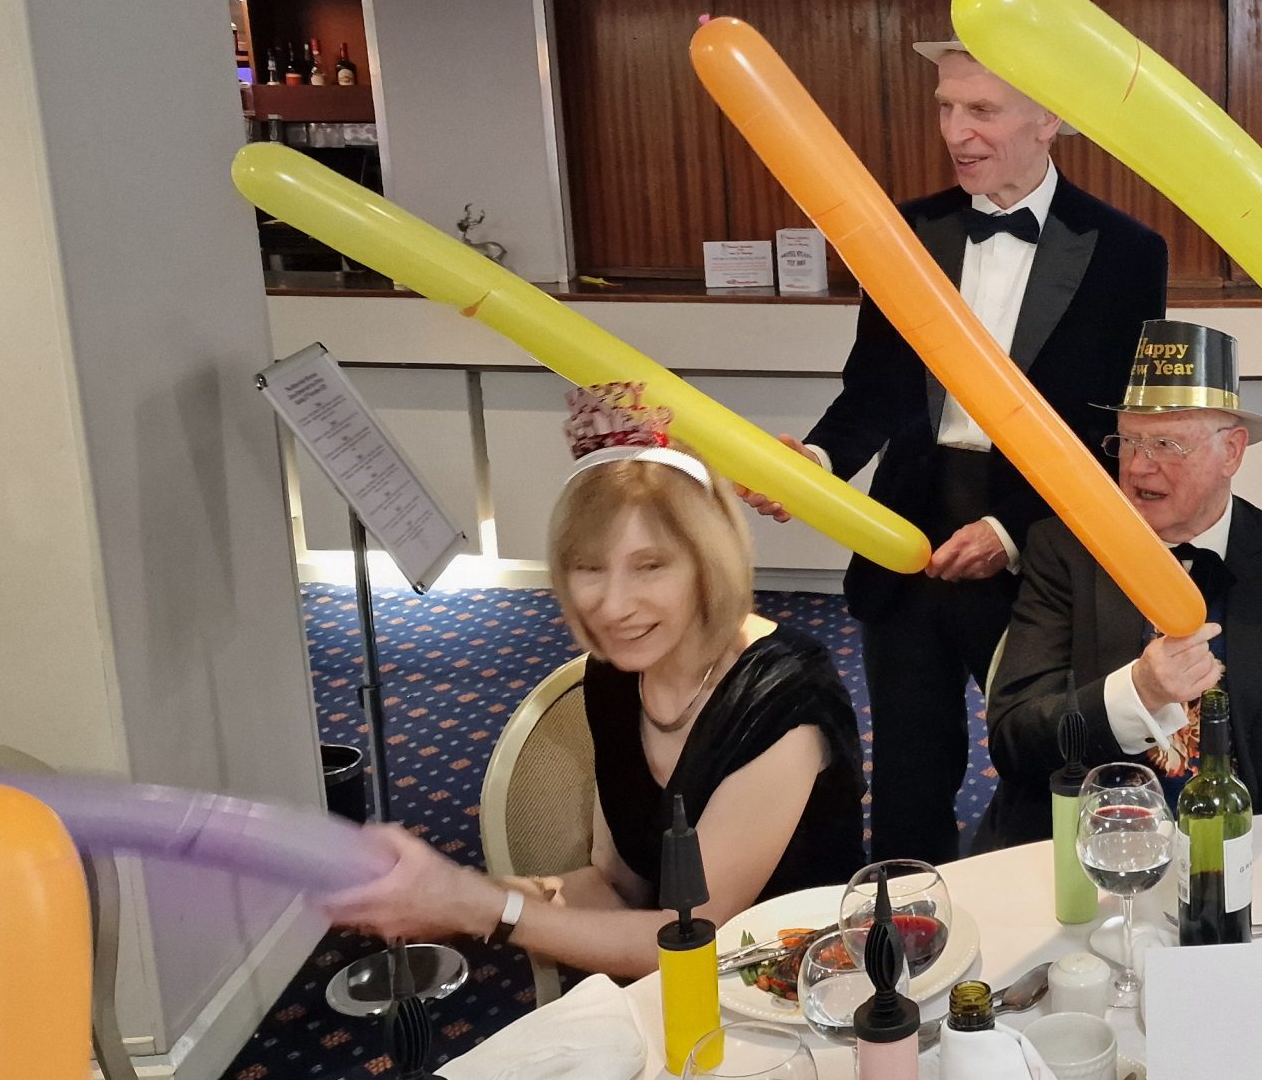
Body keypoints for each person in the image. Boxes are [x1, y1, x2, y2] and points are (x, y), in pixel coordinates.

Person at [742, 40, 1166, 863]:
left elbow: (1107, 426)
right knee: (908, 772)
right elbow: (877, 386)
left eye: (981, 110)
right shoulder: (906, 231)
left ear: (1048, 118)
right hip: (908, 529)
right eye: (945, 107)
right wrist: (817, 463)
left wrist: (1010, 529)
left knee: (1051, 766)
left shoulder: (1127, 251)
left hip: (1039, 540)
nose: (955, 131)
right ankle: (911, 923)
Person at [321, 395, 866, 979]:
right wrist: (444, 892)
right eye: (589, 567)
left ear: (709, 565)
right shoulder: (614, 676)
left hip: (802, 988)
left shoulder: (785, 694)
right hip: (681, 989)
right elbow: (618, 886)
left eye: (650, 566)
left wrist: (475, 906)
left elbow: (689, 941)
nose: (614, 605)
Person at [977, 321, 1262, 847]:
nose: (1138, 467)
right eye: (1127, 442)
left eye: (1166, 444)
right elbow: (1015, 738)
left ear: (1232, 452)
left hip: (1244, 841)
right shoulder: (1064, 549)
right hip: (1090, 841)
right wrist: (1139, 694)